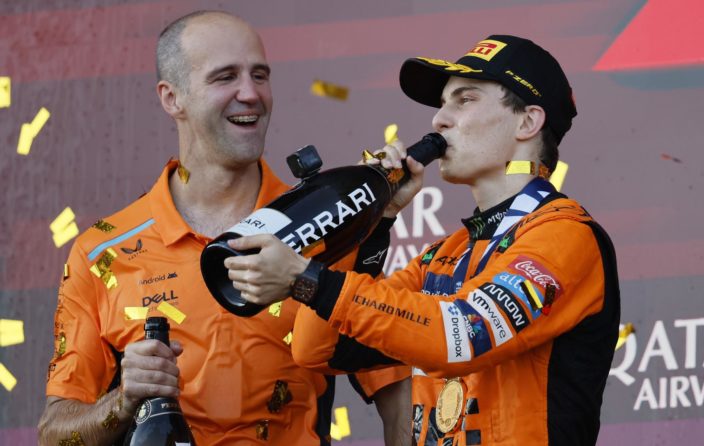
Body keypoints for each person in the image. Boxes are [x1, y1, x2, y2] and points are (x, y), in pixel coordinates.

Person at [225, 34, 621, 445]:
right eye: (443, 104)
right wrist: (370, 222)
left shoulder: (565, 235)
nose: (439, 120)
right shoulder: (445, 255)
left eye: (464, 100)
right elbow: (316, 347)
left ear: (527, 121)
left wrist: (306, 277)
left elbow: (459, 334)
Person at [37, 10, 411, 445]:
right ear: (171, 97)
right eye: (225, 77)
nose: (250, 94)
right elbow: (55, 434)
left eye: (260, 75)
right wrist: (123, 401)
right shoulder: (102, 251)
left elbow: (396, 387)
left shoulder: (329, 225)